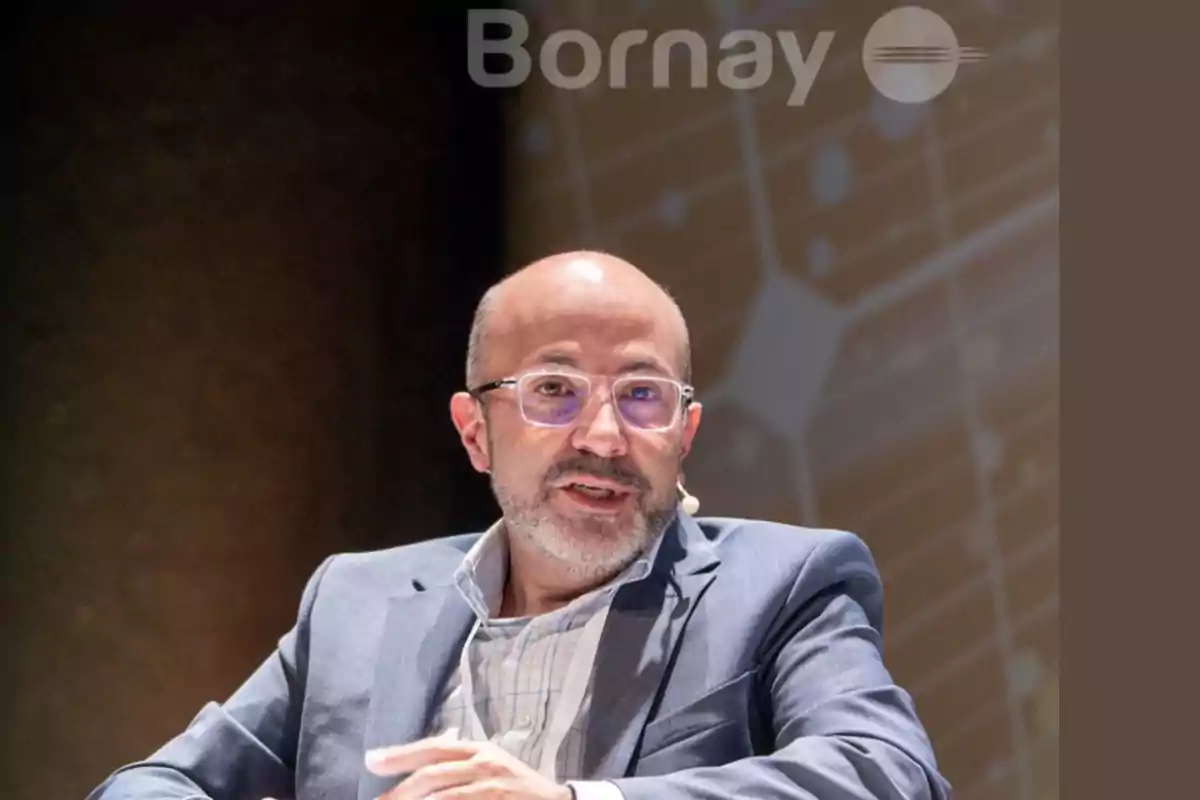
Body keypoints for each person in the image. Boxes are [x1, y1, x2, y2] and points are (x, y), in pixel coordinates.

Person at [88, 251, 951, 800]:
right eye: (553, 391)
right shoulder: (357, 599)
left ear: (684, 436)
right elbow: (161, 783)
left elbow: (887, 776)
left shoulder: (783, 584)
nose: (604, 436)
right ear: (474, 432)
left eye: (642, 395)